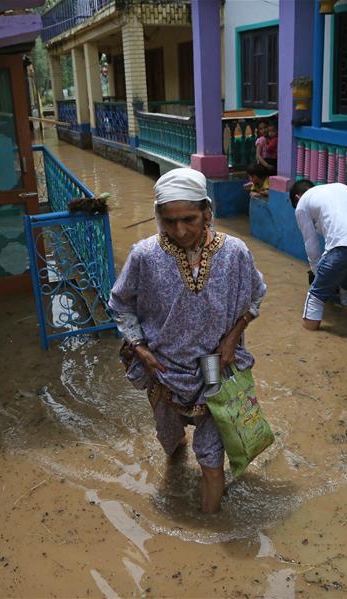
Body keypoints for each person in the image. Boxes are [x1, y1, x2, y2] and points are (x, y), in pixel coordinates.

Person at [109, 168, 267, 514]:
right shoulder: (144, 255)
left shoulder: (235, 253)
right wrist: (140, 349)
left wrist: (233, 338)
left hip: (216, 371)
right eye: (169, 221)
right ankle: (176, 448)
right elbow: (120, 304)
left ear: (207, 212)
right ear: (159, 218)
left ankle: (211, 530)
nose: (180, 231)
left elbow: (256, 296)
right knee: (171, 442)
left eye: (189, 219)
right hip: (164, 370)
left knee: (212, 459)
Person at [290, 180, 347, 331]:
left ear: (297, 198)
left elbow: (311, 245)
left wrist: (318, 275)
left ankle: (310, 332)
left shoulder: (302, 204)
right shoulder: (339, 188)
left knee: (316, 297)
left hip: (345, 244)